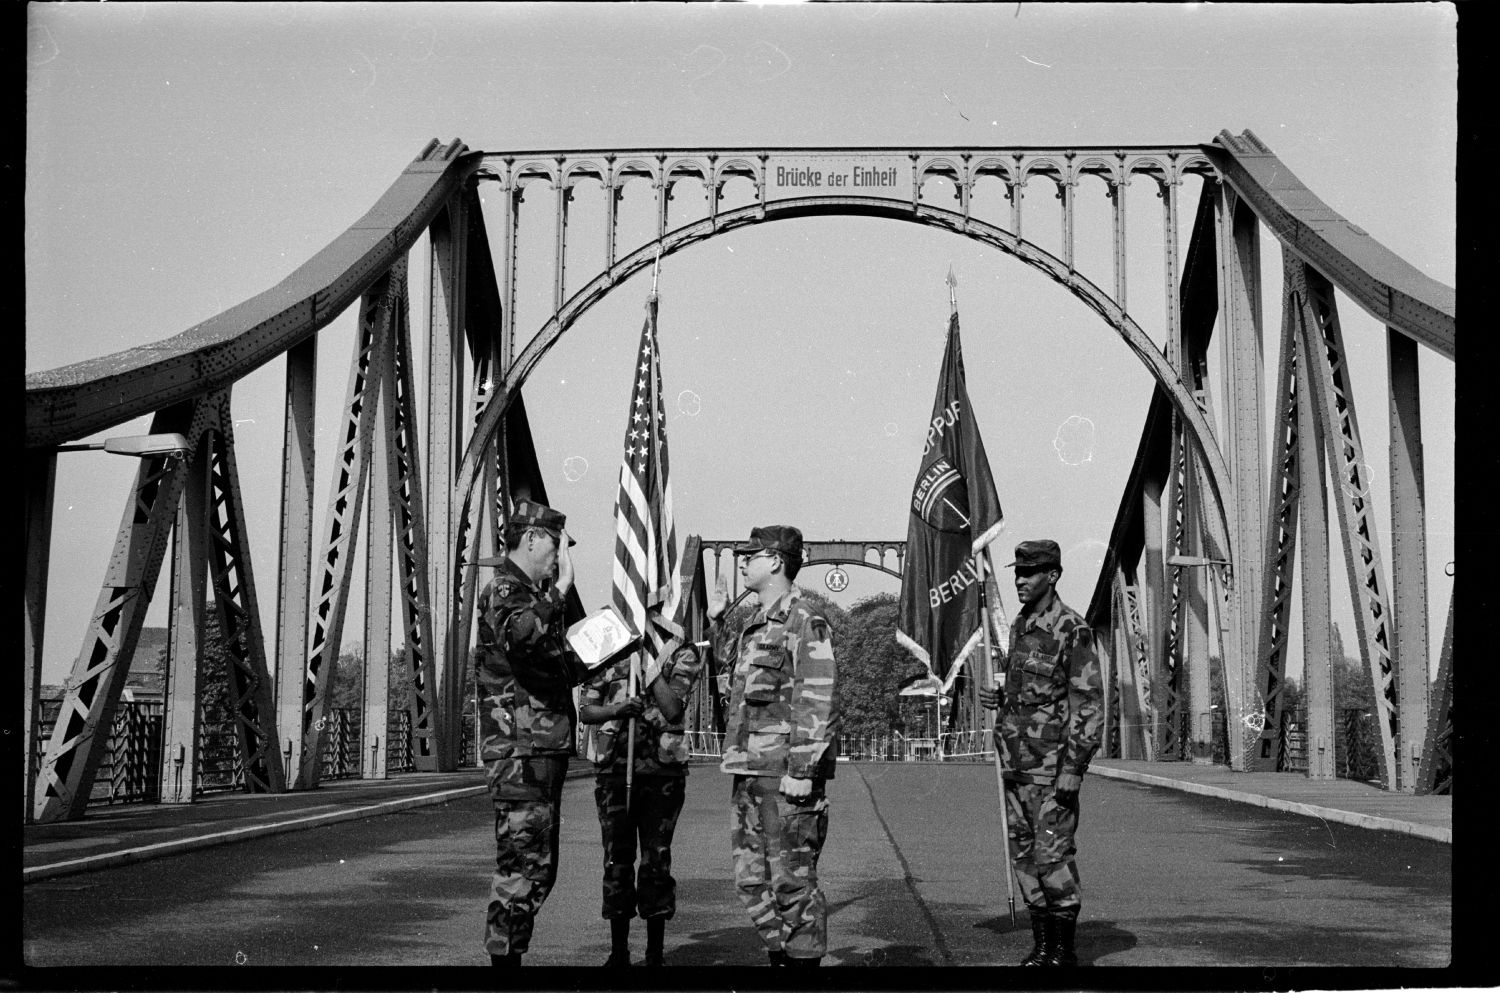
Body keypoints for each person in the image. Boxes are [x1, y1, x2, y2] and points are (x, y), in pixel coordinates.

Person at [707, 525, 840, 968]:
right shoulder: (752, 626)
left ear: (777, 561)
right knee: (751, 882)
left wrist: (803, 772)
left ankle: (799, 969)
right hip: (748, 771)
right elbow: (726, 684)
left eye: (752, 555)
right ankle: (780, 958)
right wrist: (716, 619)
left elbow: (818, 697)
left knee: (792, 885)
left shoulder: (805, 621)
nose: (743, 561)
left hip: (783, 779)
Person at [472, 499, 587, 967]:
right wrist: (560, 591)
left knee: (536, 866)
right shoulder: (505, 588)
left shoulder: (527, 595)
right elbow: (521, 635)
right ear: (533, 537)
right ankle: (504, 963)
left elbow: (546, 663)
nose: (558, 556)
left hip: (538, 745)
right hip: (520, 749)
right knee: (523, 866)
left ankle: (510, 957)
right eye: (556, 544)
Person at [978, 539, 1103, 967]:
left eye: (1029, 573)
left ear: (1052, 576)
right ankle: (1043, 946)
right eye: (1017, 573)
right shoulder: (1020, 626)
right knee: (1025, 856)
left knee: (1052, 855)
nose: (1020, 581)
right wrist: (1001, 697)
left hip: (1051, 771)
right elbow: (1033, 692)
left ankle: (1063, 951)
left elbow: (1088, 703)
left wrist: (1074, 769)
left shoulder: (1072, 629)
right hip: (1016, 766)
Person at [577, 629, 704, 967]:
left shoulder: (683, 653)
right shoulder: (611, 647)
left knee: (655, 862)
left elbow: (673, 707)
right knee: (616, 861)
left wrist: (647, 668)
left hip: (662, 774)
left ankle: (654, 955)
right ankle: (618, 952)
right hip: (614, 770)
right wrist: (618, 709)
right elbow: (586, 711)